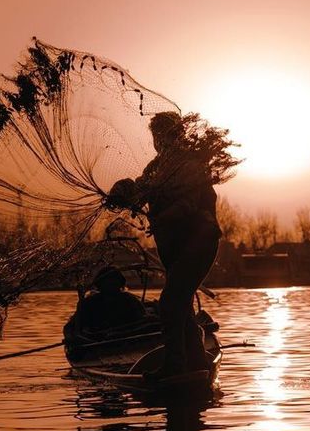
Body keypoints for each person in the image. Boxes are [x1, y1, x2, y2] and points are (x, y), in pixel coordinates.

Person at [109, 111, 225, 379]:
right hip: (172, 248)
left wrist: (160, 217)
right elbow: (138, 188)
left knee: (171, 302)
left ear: (176, 135)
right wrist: (122, 192)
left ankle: (175, 366)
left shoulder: (191, 166)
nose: (159, 140)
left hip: (198, 244)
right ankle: (196, 362)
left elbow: (188, 205)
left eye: (164, 134)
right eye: (156, 135)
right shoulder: (156, 169)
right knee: (180, 304)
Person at [69, 266, 146, 336]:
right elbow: (72, 326)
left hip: (126, 334)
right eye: (108, 280)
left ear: (120, 283)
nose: (111, 283)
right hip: (98, 337)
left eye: (114, 280)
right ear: (100, 284)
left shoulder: (129, 299)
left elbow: (141, 318)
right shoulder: (89, 302)